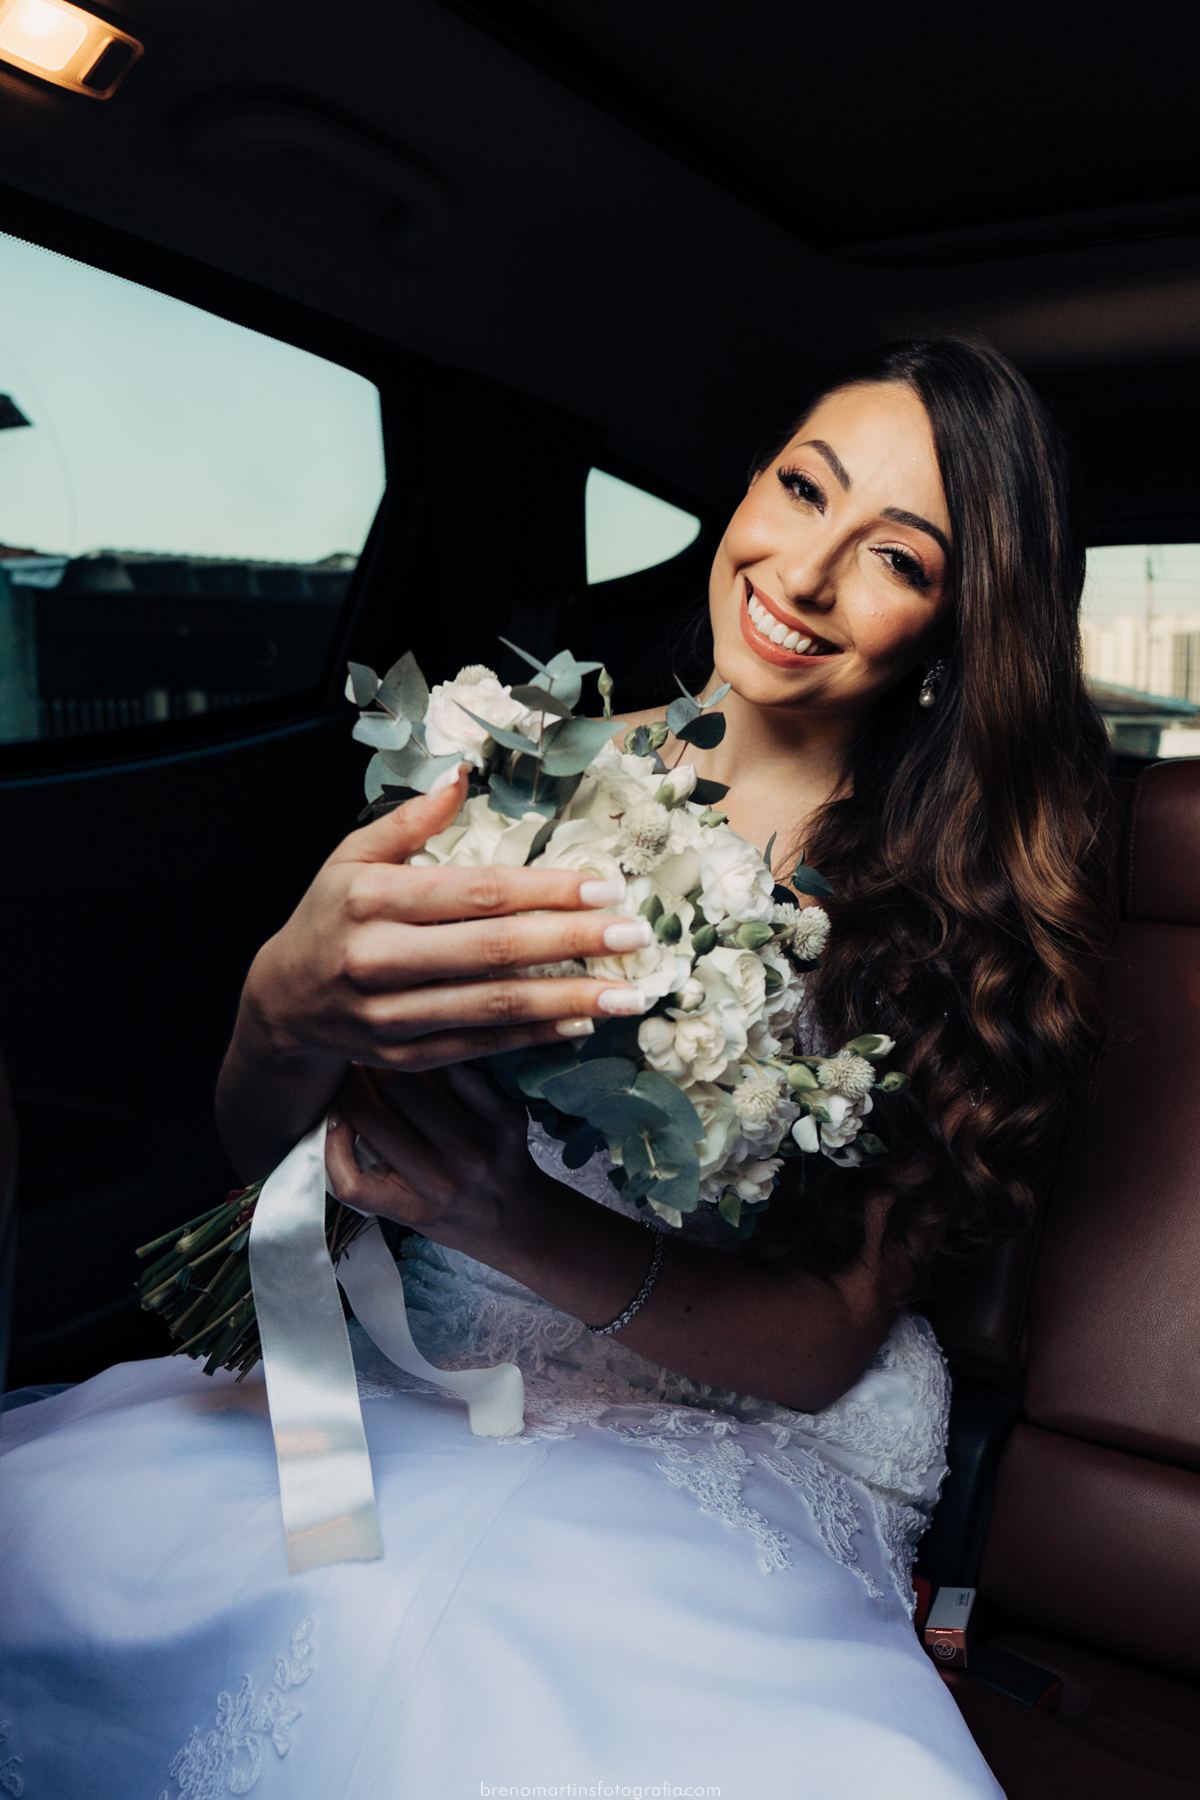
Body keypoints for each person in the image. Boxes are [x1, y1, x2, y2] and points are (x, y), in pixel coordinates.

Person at [0, 338, 1111, 1799]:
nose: (804, 572)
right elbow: (274, 1138)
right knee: (66, 1544)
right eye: (798, 488)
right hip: (421, 1355)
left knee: (468, 1673)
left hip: (726, 1407)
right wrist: (283, 1006)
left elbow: (834, 1332)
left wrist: (513, 1216)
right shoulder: (516, 758)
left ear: (963, 628)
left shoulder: (945, 909)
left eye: (895, 557)